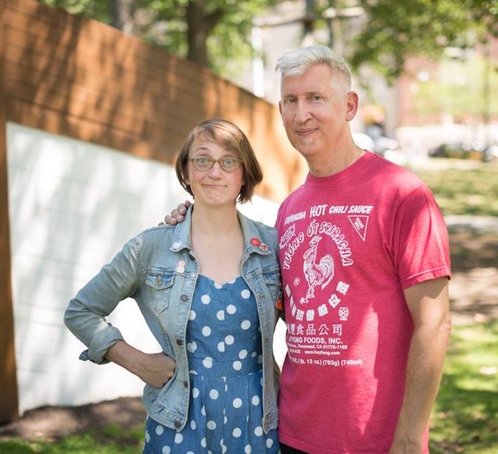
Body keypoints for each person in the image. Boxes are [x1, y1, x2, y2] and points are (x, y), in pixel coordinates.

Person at [167, 45, 451, 454]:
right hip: (292, 433)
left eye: (315, 98)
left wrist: (408, 438)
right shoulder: (290, 209)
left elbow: (434, 323)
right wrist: (191, 219)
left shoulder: (401, 195)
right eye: (291, 101)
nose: (302, 115)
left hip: (376, 439)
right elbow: (284, 308)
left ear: (349, 105)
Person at [64, 118, 282, 453]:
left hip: (259, 422)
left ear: (244, 174)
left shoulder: (273, 248)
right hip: (178, 423)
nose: (215, 172)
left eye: (229, 161)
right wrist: (136, 361)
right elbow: (81, 310)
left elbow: (307, 326)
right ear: (186, 172)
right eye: (202, 160)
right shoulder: (152, 248)